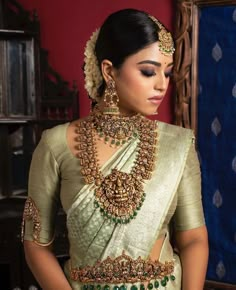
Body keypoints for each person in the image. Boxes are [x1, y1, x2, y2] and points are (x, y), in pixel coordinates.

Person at [21, 8, 209, 290]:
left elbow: (193, 239)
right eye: (148, 71)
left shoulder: (178, 144)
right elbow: (35, 244)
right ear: (109, 70)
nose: (162, 85)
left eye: (168, 73)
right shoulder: (54, 144)